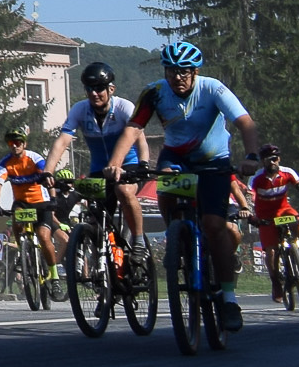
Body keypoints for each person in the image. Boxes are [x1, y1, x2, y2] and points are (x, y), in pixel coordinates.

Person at [102, 40, 267, 332]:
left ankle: (229, 299)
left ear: (195, 71)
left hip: (213, 160)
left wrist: (252, 157)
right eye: (171, 71)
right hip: (176, 158)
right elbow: (134, 127)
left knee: (214, 225)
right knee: (165, 183)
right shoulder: (154, 92)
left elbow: (245, 122)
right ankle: (177, 236)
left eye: (184, 71)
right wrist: (115, 163)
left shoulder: (212, 88)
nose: (177, 77)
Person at [52, 62, 147, 272]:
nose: (94, 93)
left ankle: (139, 241)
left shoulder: (124, 108)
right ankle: (103, 267)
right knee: (96, 221)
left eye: (99, 88)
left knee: (123, 190)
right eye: (89, 89)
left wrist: (143, 164)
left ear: (111, 89)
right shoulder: (80, 109)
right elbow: (62, 141)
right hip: (99, 169)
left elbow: (141, 140)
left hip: (128, 165)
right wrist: (47, 172)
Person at [0, 127, 59, 281]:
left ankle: (54, 275)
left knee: (43, 237)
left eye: (17, 142)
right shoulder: (5, 163)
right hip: (22, 203)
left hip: (41, 202)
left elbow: (48, 177)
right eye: (11, 143)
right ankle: (21, 251)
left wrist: (53, 198)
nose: (14, 146)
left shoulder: (34, 158)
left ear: (24, 144)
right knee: (16, 222)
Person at [250, 146, 299, 298]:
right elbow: (249, 197)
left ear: (279, 159)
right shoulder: (256, 178)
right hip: (265, 216)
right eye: (268, 159)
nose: (272, 162)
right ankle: (276, 283)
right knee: (270, 252)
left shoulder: (288, 172)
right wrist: (252, 216)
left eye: (275, 158)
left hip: (284, 210)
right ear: (262, 161)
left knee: (298, 224)